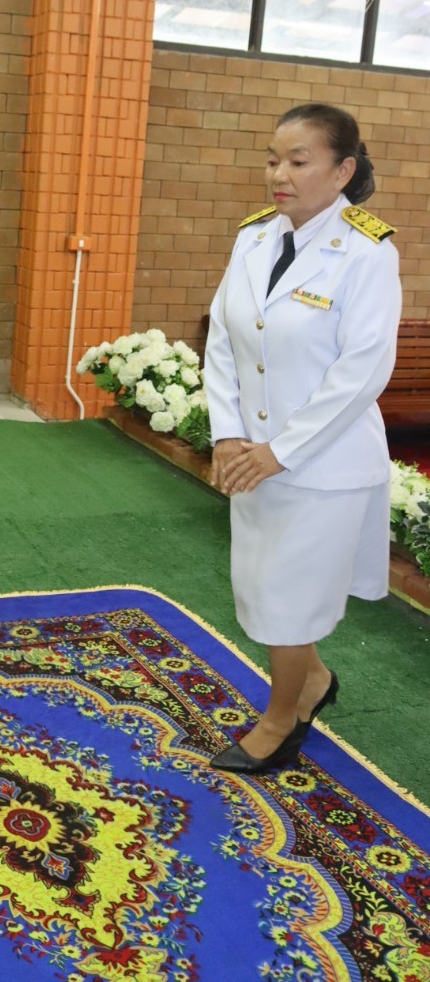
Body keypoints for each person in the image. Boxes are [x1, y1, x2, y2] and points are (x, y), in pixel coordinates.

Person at [204, 103, 401, 774]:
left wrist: (277, 453)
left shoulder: (367, 251)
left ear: (342, 169)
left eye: (296, 161)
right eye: (271, 159)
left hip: (319, 467)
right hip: (251, 458)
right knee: (260, 589)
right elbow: (222, 341)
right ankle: (311, 681)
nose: (277, 175)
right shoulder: (254, 238)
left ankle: (281, 719)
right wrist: (228, 436)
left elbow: (362, 370)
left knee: (285, 604)